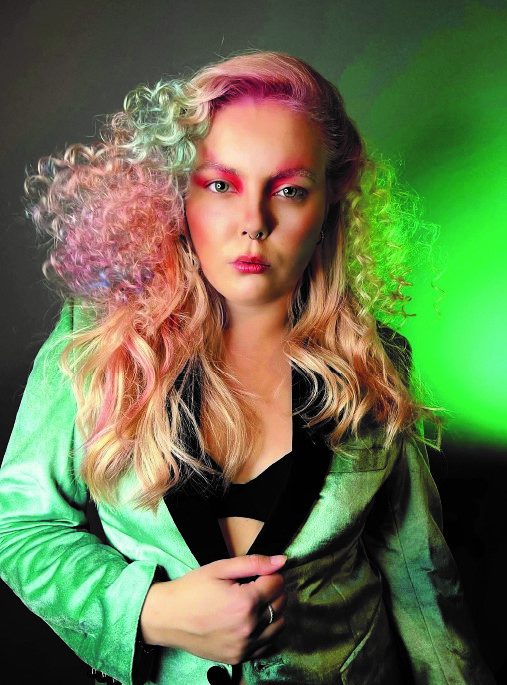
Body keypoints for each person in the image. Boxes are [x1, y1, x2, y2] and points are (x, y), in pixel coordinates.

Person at [0, 49, 496, 685]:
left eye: (289, 190)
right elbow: (21, 524)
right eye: (220, 185)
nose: (254, 223)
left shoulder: (376, 359)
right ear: (177, 194)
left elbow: (418, 571)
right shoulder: (98, 341)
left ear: (330, 201)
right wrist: (149, 611)